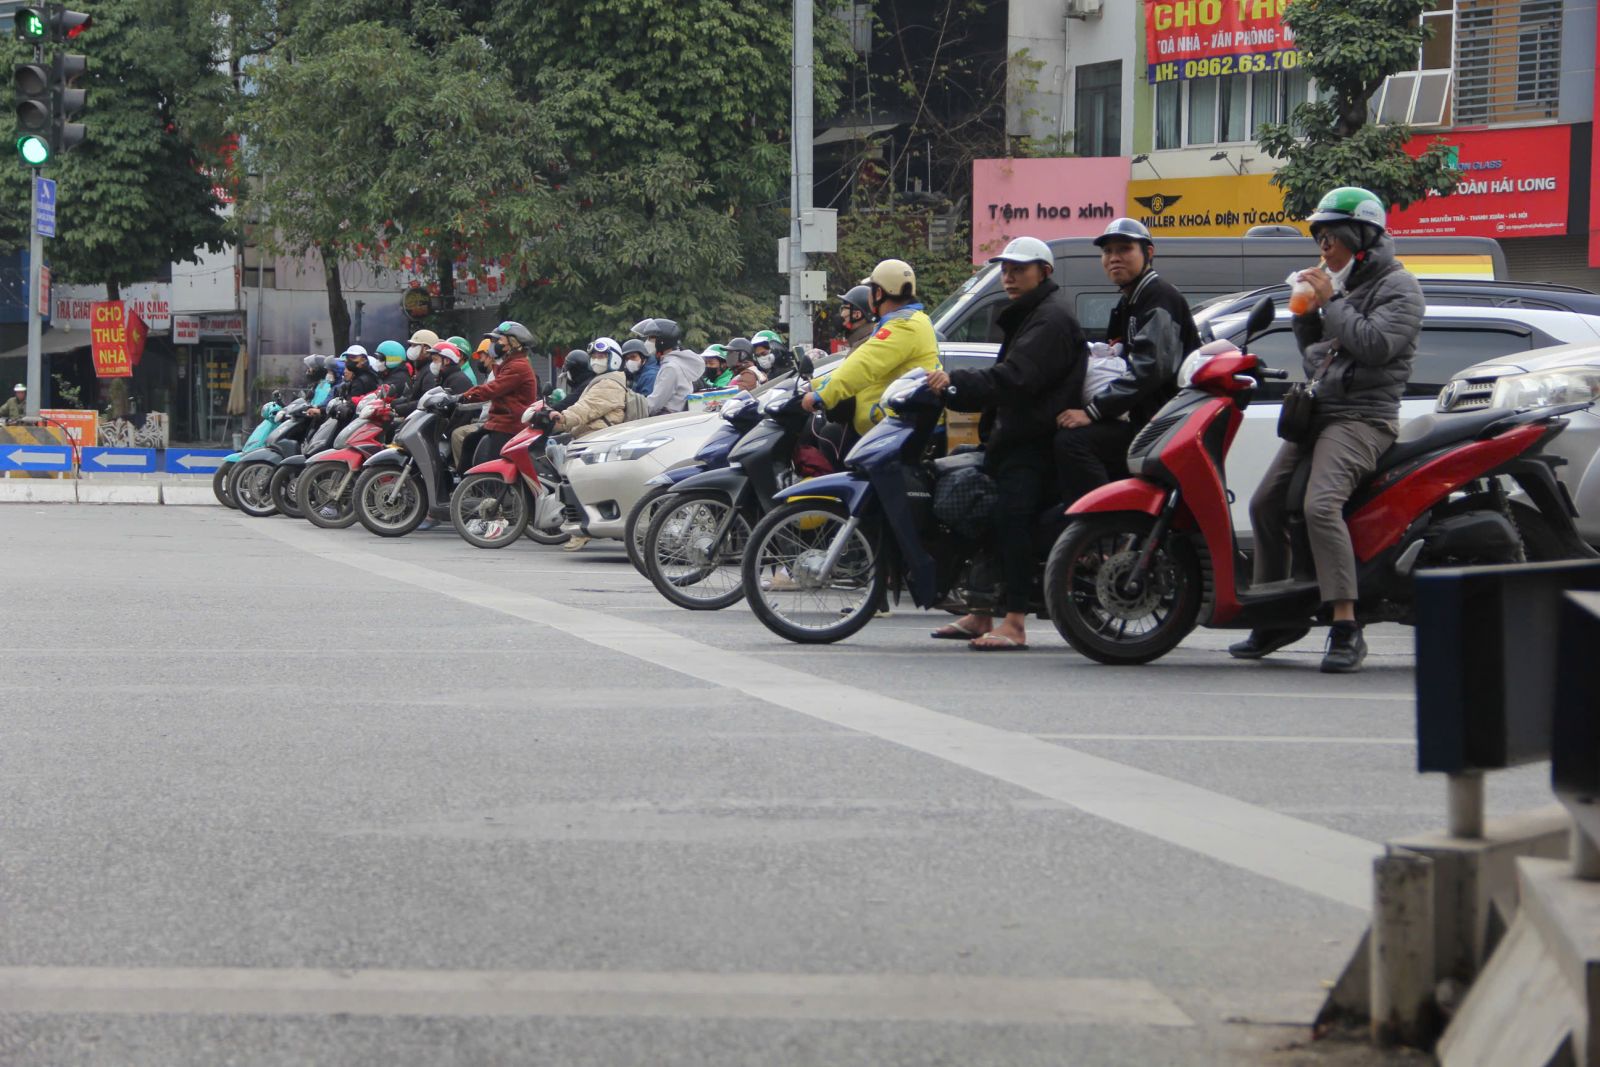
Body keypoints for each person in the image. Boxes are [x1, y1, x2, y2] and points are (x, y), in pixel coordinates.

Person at [1230, 187, 1423, 674]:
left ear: (1363, 237)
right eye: (1319, 238)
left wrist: (1332, 300)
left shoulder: (1399, 287)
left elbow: (1375, 345)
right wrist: (1304, 316)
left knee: (1320, 505)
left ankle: (1345, 624)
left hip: (1364, 417)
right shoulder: (1344, 286)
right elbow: (1318, 356)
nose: (1324, 247)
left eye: (1332, 236)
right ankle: (1277, 614)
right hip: (1320, 412)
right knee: (1264, 504)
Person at [925, 237, 1088, 652]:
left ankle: (1014, 621)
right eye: (1005, 270)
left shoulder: (1050, 320)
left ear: (1044, 273)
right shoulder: (1029, 314)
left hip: (1035, 441)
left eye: (1019, 269)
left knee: (1013, 521)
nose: (1009, 277)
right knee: (984, 516)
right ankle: (981, 612)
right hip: (1012, 437)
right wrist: (953, 392)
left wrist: (958, 380)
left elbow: (1016, 378)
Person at [1054, 218, 1199, 507]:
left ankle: (1106, 522)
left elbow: (1151, 368)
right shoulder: (1129, 301)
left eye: (1124, 249)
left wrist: (1093, 411)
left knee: (1072, 443)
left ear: (1148, 253)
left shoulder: (1159, 296)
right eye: (1107, 251)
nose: (1114, 258)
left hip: (1161, 424)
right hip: (1143, 419)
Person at [802, 259, 941, 440]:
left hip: (894, 429)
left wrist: (822, 395)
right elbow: (855, 365)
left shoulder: (904, 326)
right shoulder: (906, 321)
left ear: (879, 293)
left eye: (871, 290)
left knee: (831, 438)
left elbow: (863, 365)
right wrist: (813, 385)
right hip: (892, 425)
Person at [459, 321, 539, 467]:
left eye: (499, 340)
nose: (493, 345)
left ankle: (483, 482)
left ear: (513, 344)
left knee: (490, 463)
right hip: (499, 422)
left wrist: (463, 396)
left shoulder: (518, 366)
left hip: (510, 425)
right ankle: (467, 481)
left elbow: (492, 389)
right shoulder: (508, 364)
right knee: (470, 442)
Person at [635, 318, 705, 415]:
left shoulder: (670, 368)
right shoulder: (677, 362)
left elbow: (654, 404)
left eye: (651, 338)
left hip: (669, 417)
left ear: (662, 341)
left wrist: (633, 409)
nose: (647, 342)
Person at [836, 285, 876, 354]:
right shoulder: (867, 341)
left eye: (844, 308)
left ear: (857, 315)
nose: (841, 314)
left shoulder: (863, 348)